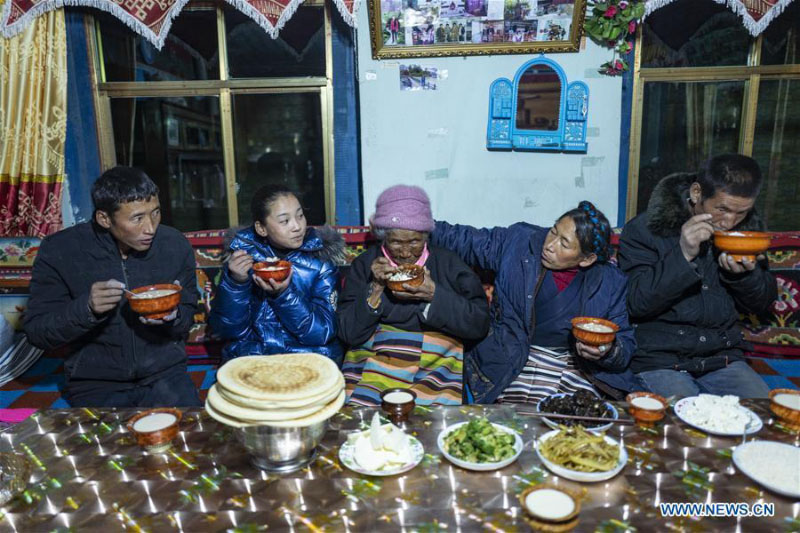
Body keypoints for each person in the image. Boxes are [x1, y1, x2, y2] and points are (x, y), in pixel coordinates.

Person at [24, 166, 201, 407]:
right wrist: (86, 309)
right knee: (104, 445)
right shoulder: (60, 251)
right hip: (95, 382)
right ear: (104, 218)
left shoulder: (174, 245)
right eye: (137, 218)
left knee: (194, 438)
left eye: (156, 213)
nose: (150, 227)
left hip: (165, 374)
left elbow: (189, 311)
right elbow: (37, 332)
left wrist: (176, 315)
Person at [433, 201, 636, 404]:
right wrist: (419, 226)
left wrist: (606, 350)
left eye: (564, 244)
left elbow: (624, 345)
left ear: (587, 259)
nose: (549, 245)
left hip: (575, 367)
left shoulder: (610, 282)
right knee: (518, 420)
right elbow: (463, 239)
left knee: (575, 418)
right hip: (514, 357)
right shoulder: (520, 243)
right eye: (553, 231)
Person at [618, 154, 776, 399]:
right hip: (659, 359)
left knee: (763, 418)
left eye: (741, 212)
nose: (729, 221)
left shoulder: (747, 234)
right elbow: (635, 303)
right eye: (722, 209)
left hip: (722, 358)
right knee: (684, 425)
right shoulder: (646, 229)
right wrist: (682, 255)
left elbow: (763, 304)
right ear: (696, 192)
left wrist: (744, 277)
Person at [338, 185, 490, 406]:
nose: (406, 252)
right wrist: (376, 289)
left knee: (430, 423)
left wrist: (433, 295)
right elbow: (347, 333)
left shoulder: (449, 263)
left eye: (415, 242)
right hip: (376, 359)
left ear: (426, 237)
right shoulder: (366, 265)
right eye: (396, 242)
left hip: (436, 363)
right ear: (382, 237)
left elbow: (479, 324)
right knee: (361, 419)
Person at [209, 185, 343, 364]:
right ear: (261, 228)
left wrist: (284, 295)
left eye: (300, 215)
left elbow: (322, 332)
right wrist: (236, 284)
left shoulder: (320, 261)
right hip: (255, 357)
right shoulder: (242, 259)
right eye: (284, 221)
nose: (297, 227)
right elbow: (226, 330)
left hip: (307, 357)